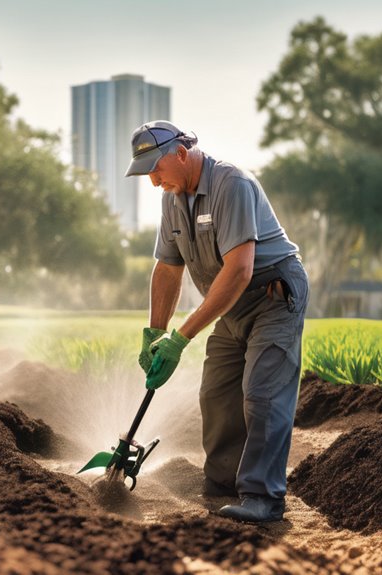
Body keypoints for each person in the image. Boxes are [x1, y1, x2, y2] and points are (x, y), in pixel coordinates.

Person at [129, 120, 309, 524]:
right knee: (216, 392)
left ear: (180, 153)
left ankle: (263, 499)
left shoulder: (232, 184)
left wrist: (179, 339)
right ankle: (226, 484)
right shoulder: (172, 199)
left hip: (271, 295)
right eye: (147, 175)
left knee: (261, 392)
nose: (154, 182)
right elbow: (168, 268)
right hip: (229, 304)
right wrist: (155, 333)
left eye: (156, 169)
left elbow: (240, 270)